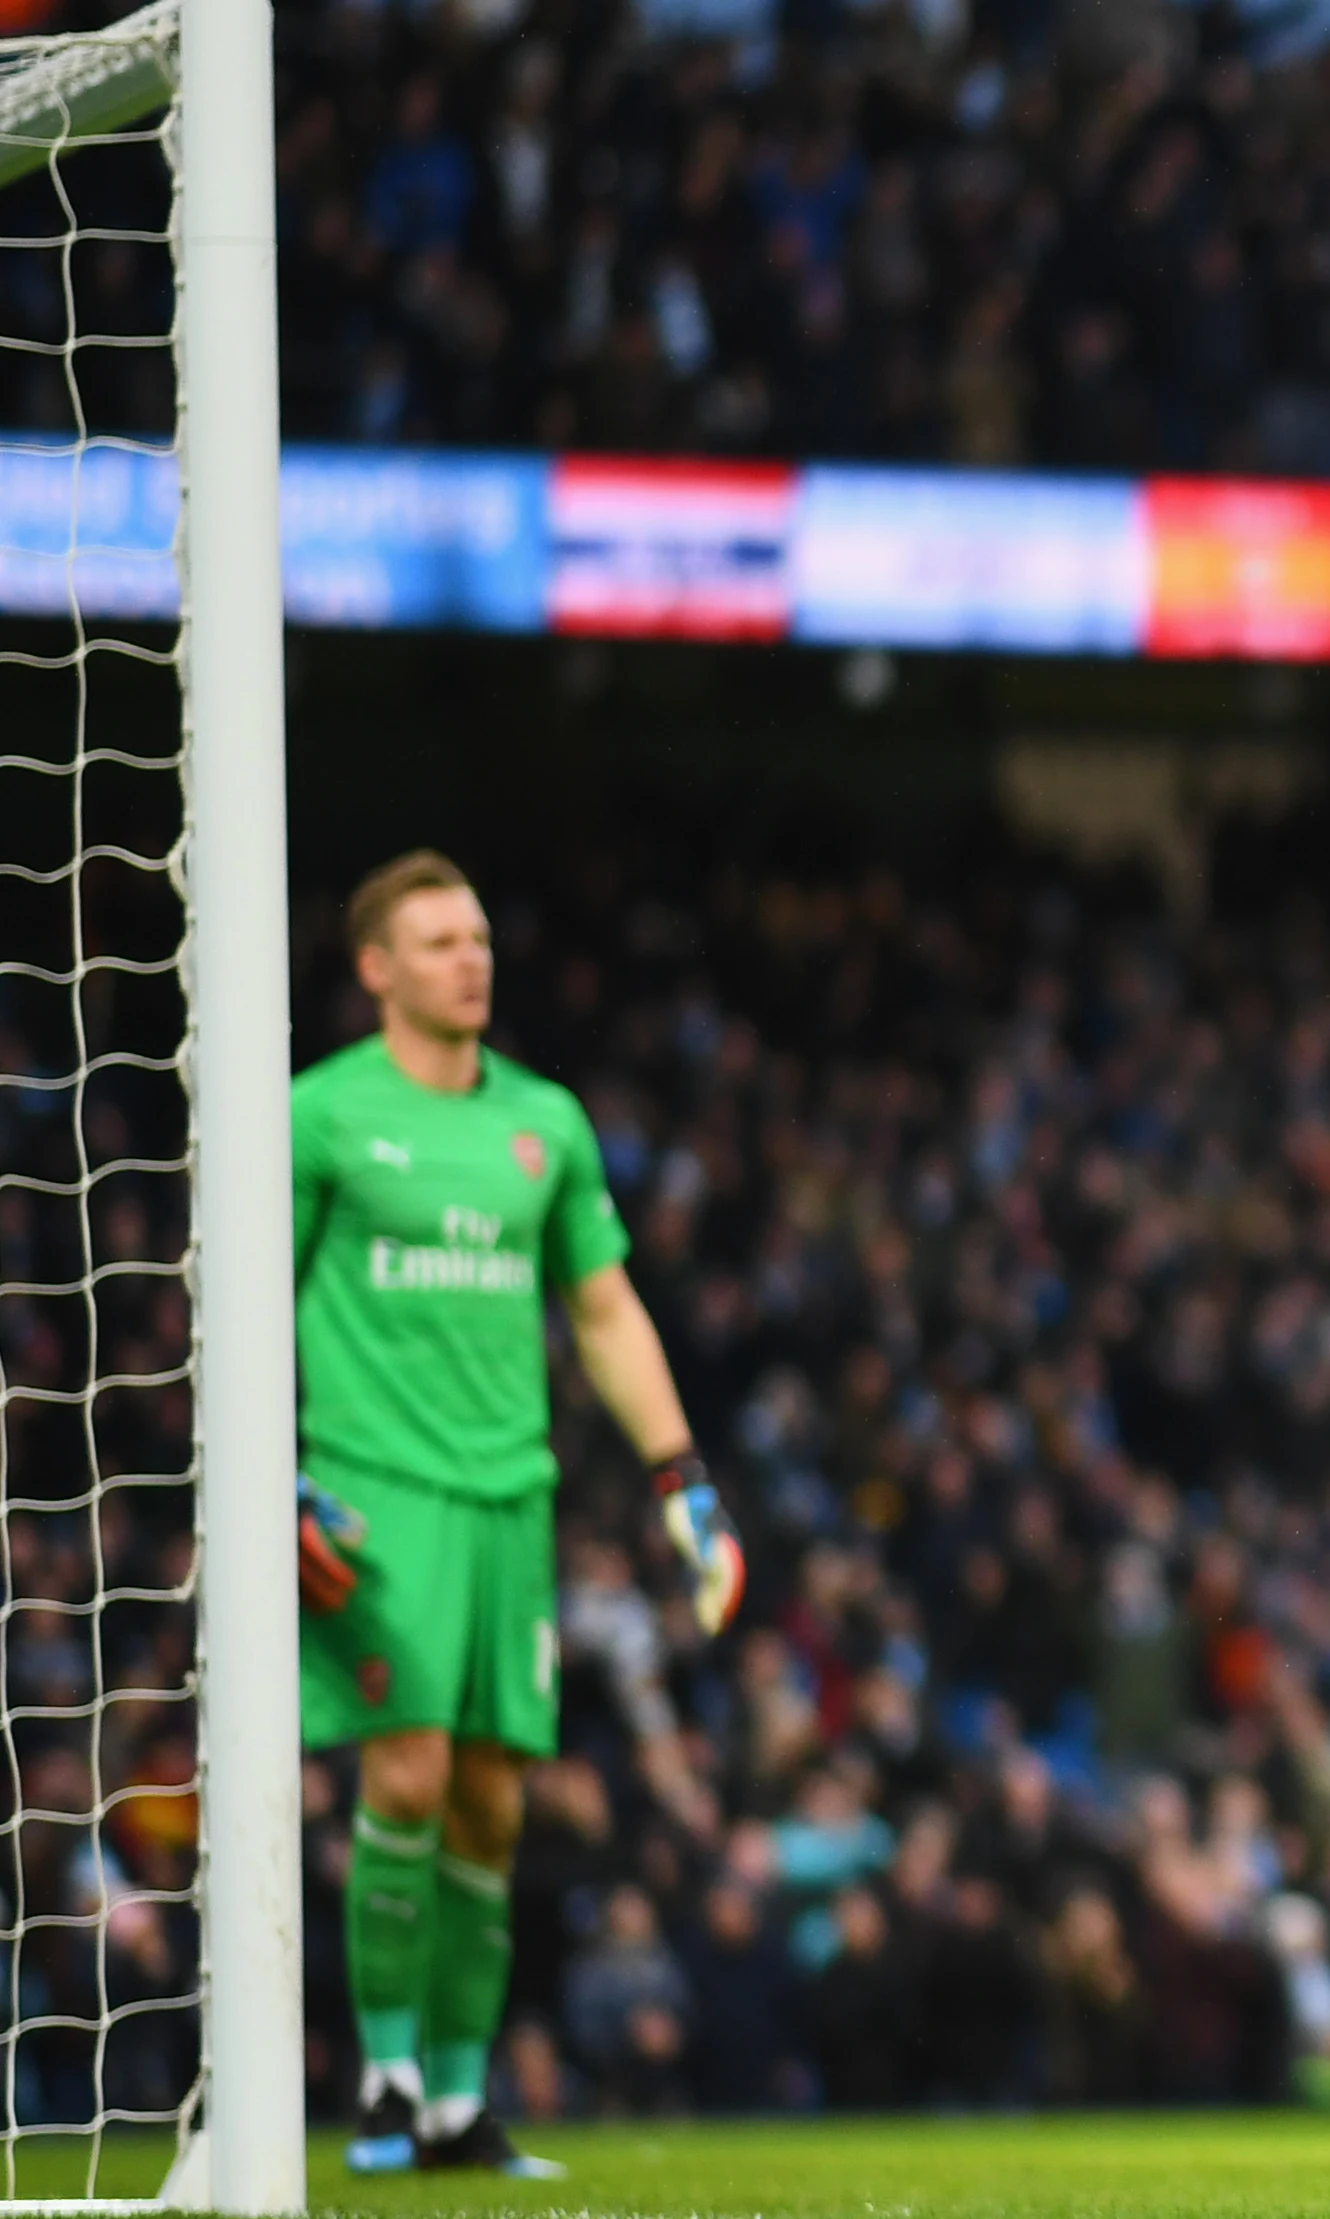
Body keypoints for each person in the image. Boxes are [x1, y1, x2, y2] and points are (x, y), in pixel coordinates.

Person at [293, 850, 745, 2177]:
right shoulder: (318, 1115)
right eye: (436, 940)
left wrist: (682, 1476)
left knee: (493, 1801)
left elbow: (603, 1308)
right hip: (371, 1489)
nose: (468, 958)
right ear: (376, 966)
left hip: (513, 1496)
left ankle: (453, 2102)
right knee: (411, 1767)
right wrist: (271, 1475)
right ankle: (379, 2077)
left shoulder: (542, 1120)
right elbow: (243, 1291)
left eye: (478, 935)